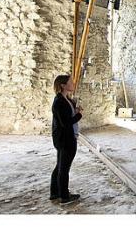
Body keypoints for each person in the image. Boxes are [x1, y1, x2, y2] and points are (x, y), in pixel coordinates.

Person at [50, 75, 83, 205]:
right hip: (65, 138)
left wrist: (75, 109)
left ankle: (55, 193)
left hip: (65, 137)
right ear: (63, 85)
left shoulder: (65, 99)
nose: (73, 83)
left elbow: (66, 115)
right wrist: (79, 115)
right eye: (70, 82)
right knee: (64, 168)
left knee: (60, 165)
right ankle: (64, 196)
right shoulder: (59, 101)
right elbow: (65, 122)